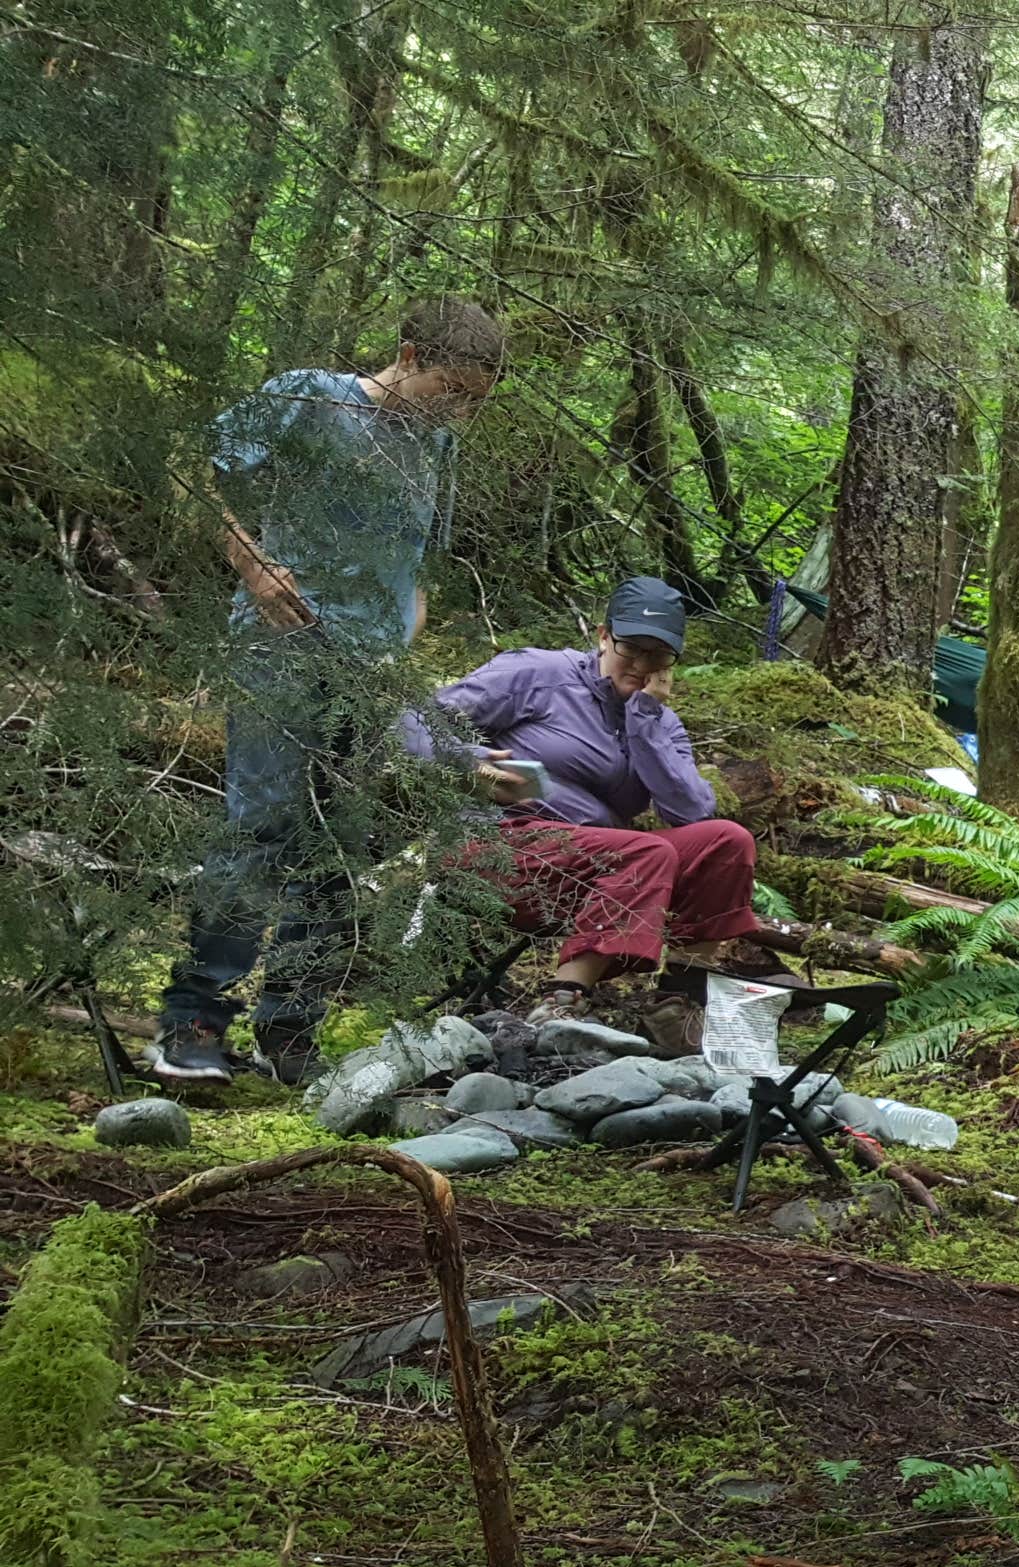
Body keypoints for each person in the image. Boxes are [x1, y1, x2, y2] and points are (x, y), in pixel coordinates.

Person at [151, 296, 504, 1085]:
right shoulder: (309, 399)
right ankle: (195, 1019)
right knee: (264, 824)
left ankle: (291, 1033)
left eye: (475, 402)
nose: (460, 411)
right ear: (410, 357)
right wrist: (255, 567)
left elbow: (416, 566)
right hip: (280, 650)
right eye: (453, 389)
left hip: (368, 673)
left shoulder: (434, 448)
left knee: (336, 847)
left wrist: (405, 634)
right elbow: (195, 474)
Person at [410, 576, 788, 1036]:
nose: (642, 665)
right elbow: (413, 721)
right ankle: (561, 1004)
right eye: (631, 648)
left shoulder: (662, 722)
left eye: (659, 655)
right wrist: (471, 763)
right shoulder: (540, 674)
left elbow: (691, 813)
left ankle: (678, 1004)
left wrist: (645, 722)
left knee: (726, 841)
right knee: (645, 852)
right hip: (499, 845)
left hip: (593, 866)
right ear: (603, 635)